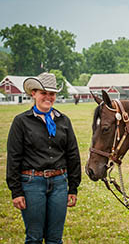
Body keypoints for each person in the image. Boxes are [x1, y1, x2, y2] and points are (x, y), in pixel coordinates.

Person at [6, 72, 81, 243]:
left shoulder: (64, 121)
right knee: (34, 237)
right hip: (32, 183)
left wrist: (73, 187)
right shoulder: (21, 122)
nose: (48, 97)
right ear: (34, 93)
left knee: (55, 238)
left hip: (59, 184)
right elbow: (14, 158)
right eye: (43, 93)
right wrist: (16, 191)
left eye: (52, 94)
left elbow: (72, 155)